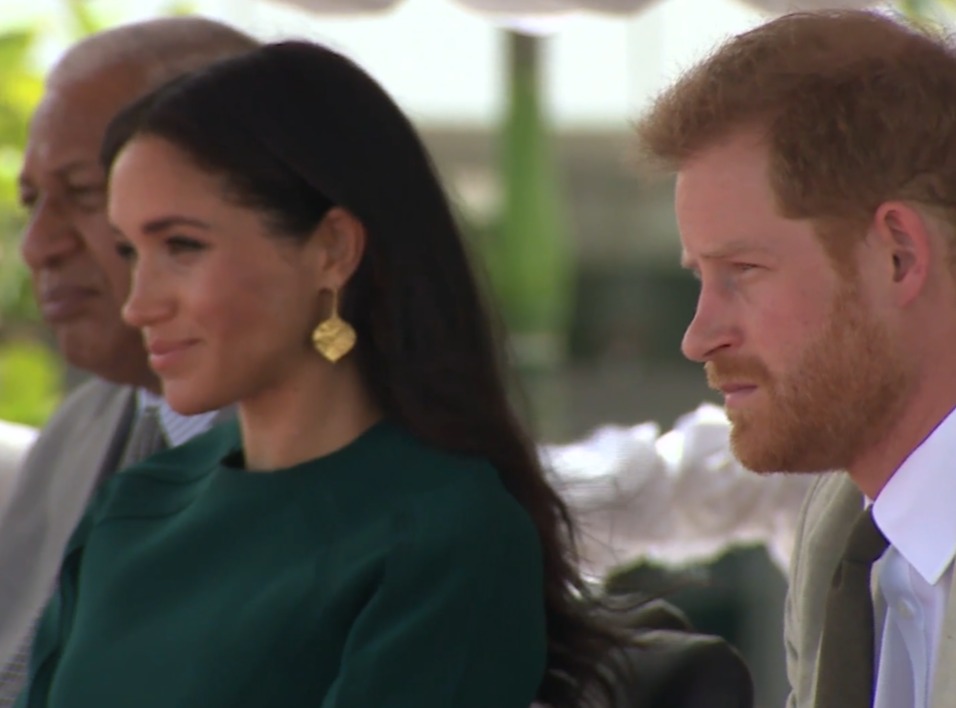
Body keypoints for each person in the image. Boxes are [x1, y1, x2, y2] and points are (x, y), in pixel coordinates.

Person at [17, 39, 624, 708]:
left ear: (332, 249)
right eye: (132, 252)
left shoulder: (442, 538)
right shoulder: (129, 508)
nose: (139, 303)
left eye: (182, 247)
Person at [636, 8, 956, 708]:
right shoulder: (840, 536)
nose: (699, 337)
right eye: (699, 277)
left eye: (742, 271)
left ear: (898, 256)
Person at [0, 17, 259, 706]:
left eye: (83, 194)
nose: (38, 246)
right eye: (32, 202)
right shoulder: (79, 429)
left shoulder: (342, 454)